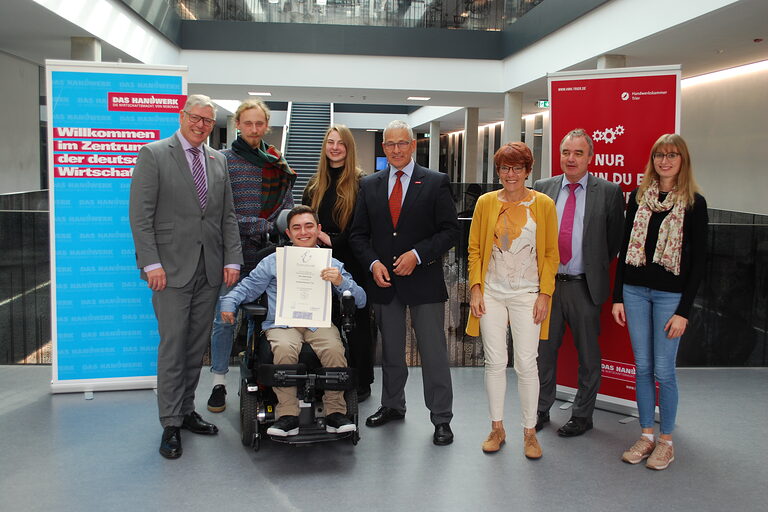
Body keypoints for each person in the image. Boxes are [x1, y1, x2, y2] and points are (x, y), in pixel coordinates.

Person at [129, 94, 243, 459]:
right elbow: (141, 216)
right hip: (170, 271)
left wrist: (232, 260)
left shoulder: (217, 160)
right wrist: (151, 264)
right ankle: (169, 423)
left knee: (195, 347)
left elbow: (225, 216)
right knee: (173, 346)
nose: (201, 125)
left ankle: (186, 410)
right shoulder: (154, 155)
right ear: (182, 116)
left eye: (208, 121)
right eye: (196, 118)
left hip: (209, 268)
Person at [349, 120, 460, 446]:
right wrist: (372, 263)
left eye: (402, 143)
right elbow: (358, 235)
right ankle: (393, 405)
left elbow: (450, 231)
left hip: (423, 280)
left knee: (434, 353)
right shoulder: (369, 184)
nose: (396, 149)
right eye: (390, 144)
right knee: (391, 351)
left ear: (413, 145)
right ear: (384, 147)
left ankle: (442, 418)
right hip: (385, 284)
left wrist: (417, 254)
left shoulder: (436, 182)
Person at [219, 205, 366, 436]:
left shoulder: (332, 263)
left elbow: (360, 300)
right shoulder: (273, 261)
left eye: (309, 226)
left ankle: (334, 412)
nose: (303, 232)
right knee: (285, 349)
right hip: (282, 323)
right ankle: (287, 415)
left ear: (318, 229)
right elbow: (247, 287)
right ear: (288, 233)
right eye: (296, 228)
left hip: (319, 323)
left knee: (334, 348)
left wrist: (340, 282)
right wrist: (228, 303)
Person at [612, 134, 708, 470]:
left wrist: (684, 311)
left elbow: (699, 264)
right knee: (643, 367)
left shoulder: (694, 203)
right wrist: (618, 297)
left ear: (683, 160)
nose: (664, 161)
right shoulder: (639, 199)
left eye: (672, 155)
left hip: (671, 296)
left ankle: (666, 441)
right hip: (635, 292)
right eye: (659, 155)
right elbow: (625, 249)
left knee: (664, 370)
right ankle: (646, 435)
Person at [466, 142, 559, 458]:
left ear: (528, 171)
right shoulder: (485, 203)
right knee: (494, 362)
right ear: (498, 171)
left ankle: (529, 432)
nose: (511, 174)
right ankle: (497, 428)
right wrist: (476, 288)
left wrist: (545, 293)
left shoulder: (543, 204)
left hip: (527, 294)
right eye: (505, 168)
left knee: (526, 363)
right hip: (491, 292)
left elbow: (550, 254)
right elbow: (475, 249)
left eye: (517, 168)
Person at [533, 128, 624, 437]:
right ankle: (541, 408)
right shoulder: (543, 188)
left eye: (578, 153)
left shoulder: (609, 192)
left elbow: (613, 243)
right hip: (547, 287)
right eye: (566, 153)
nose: (570, 159)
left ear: (591, 157)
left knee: (588, 355)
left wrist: (590, 268)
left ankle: (583, 415)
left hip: (585, 286)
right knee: (544, 351)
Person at [206, 99, 295, 414]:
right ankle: (218, 382)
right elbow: (217, 211)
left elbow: (287, 205)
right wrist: (261, 223)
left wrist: (288, 225)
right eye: (248, 123)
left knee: (262, 317)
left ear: (267, 126)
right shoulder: (222, 161)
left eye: (260, 124)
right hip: (231, 250)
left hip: (268, 252)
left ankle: (257, 377)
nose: (254, 129)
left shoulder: (276, 161)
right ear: (238, 125)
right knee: (224, 316)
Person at [302, 124, 374, 401]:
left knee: (356, 324)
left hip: (352, 262)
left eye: (340, 143)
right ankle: (327, 379)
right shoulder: (314, 183)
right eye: (330, 142)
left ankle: (361, 381)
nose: (334, 147)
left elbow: (362, 227)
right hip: (319, 262)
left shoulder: (361, 183)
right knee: (325, 324)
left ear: (349, 148)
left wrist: (333, 241)